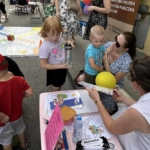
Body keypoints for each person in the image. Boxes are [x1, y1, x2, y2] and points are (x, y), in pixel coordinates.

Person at [86, 56, 150, 150]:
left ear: (135, 84)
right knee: (123, 108)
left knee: (106, 128)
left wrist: (97, 100)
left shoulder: (136, 112)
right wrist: (123, 98)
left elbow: (112, 128)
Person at [76, 31, 136, 115]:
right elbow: (95, 56)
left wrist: (106, 62)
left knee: (108, 110)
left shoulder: (126, 61)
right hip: (98, 75)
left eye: (118, 44)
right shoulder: (109, 45)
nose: (114, 44)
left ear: (126, 49)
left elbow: (112, 81)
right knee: (80, 80)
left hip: (109, 86)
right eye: (116, 39)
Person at [0, 54, 33, 150]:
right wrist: (20, 96)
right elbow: (30, 92)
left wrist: (3, 116)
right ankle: (24, 145)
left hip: (3, 121)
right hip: (17, 116)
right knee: (20, 130)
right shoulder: (19, 79)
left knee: (6, 140)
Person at [39, 16, 74, 91]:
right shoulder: (45, 47)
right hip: (54, 71)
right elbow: (43, 65)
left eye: (58, 34)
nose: (55, 37)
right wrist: (60, 66)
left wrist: (69, 42)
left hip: (62, 68)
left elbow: (64, 42)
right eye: (52, 35)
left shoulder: (60, 39)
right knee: (55, 91)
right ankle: (55, 101)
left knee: (60, 85)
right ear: (46, 32)